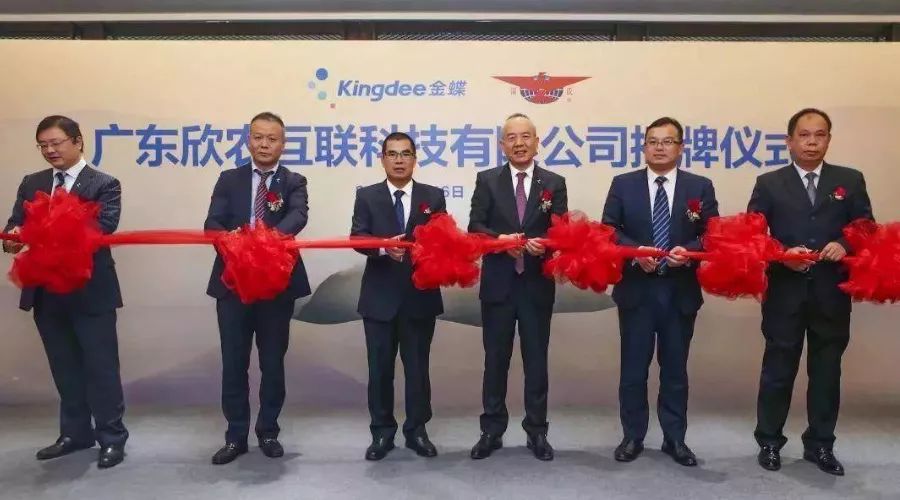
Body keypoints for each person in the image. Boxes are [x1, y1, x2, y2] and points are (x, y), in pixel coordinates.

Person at [748, 108, 873, 476]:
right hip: (784, 293)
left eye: (820, 135)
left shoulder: (849, 180)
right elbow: (753, 236)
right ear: (790, 141)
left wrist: (844, 245)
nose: (812, 142)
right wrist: (782, 255)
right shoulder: (769, 183)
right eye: (804, 135)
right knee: (778, 371)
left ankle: (820, 445)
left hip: (831, 292)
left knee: (827, 372)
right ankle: (769, 442)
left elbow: (866, 228)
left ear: (829, 140)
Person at [4, 115, 128, 468]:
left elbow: (103, 227)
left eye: (56, 143)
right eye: (43, 145)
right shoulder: (33, 183)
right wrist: (13, 238)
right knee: (64, 367)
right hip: (46, 291)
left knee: (101, 368)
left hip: (90, 291)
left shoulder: (104, 183)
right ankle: (75, 434)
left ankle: (112, 438)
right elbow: (16, 223)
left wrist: (49, 232)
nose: (50, 150)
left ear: (77, 141)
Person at [601, 116, 718, 467]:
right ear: (644, 147)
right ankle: (632, 436)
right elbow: (609, 229)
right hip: (637, 291)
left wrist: (689, 251)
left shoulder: (700, 186)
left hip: (680, 292)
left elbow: (712, 234)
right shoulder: (624, 184)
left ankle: (675, 439)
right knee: (633, 371)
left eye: (667, 141)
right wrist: (635, 253)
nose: (659, 148)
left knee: (675, 371)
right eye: (653, 141)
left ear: (680, 148)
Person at [204, 111, 311, 465]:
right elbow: (212, 222)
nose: (264, 144)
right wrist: (232, 241)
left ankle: (268, 431)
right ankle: (235, 436)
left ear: (283, 144)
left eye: (272, 138)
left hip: (276, 284)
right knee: (233, 362)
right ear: (248, 140)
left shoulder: (293, 181)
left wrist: (265, 241)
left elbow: (298, 216)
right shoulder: (229, 179)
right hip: (233, 283)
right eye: (258, 137)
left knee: (272, 362)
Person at [468, 113, 567, 461]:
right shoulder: (487, 180)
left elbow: (561, 232)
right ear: (502, 144)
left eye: (526, 136)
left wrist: (546, 246)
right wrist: (499, 241)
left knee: (536, 362)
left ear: (537, 142)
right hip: (499, 286)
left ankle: (537, 432)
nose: (519, 143)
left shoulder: (554, 183)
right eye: (511, 137)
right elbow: (475, 226)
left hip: (536, 285)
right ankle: (491, 431)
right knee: (495, 361)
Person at [350, 132, 447, 461]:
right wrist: (382, 248)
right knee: (379, 371)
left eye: (406, 154)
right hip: (379, 298)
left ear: (415, 159)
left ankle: (417, 431)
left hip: (420, 296)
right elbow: (357, 237)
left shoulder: (433, 196)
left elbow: (442, 239)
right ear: (383, 159)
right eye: (392, 154)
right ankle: (381, 433)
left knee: (418, 370)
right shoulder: (367, 196)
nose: (399, 160)